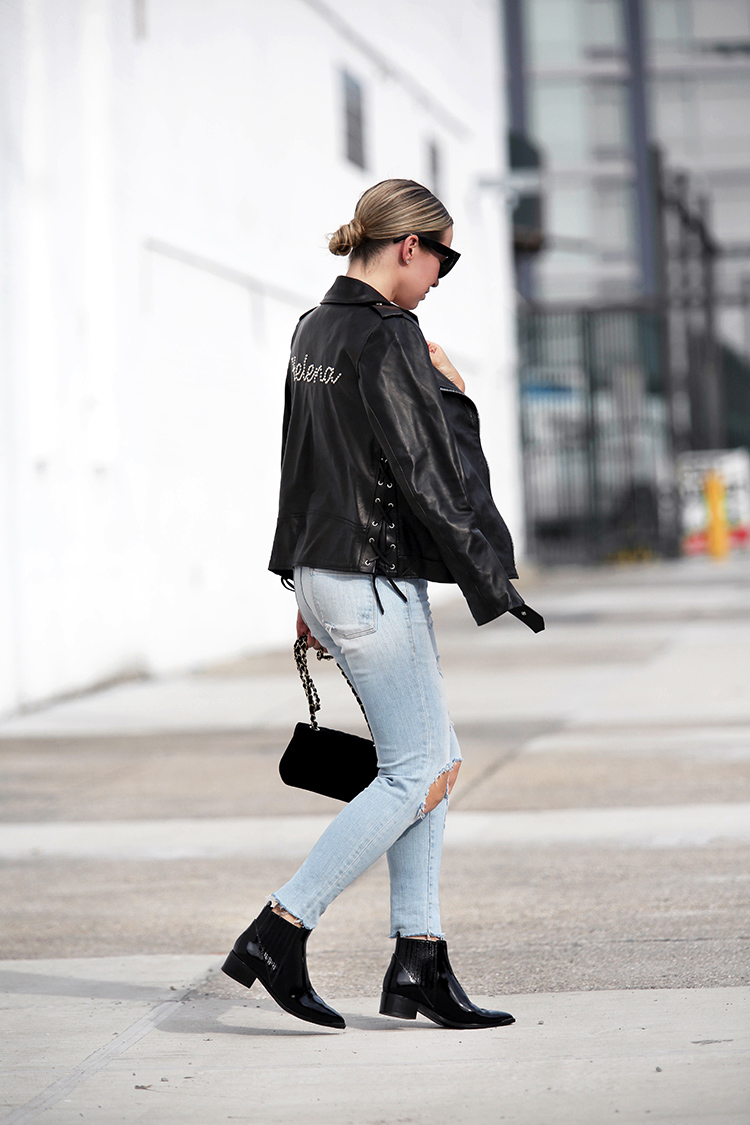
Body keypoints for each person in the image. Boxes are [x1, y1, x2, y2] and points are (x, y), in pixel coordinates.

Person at [222, 178, 544, 1031]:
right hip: (369, 578)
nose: (442, 275)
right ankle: (279, 930)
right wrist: (489, 569)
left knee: (431, 760)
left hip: (327, 574)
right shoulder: (390, 333)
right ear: (410, 247)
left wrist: (301, 586)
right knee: (418, 770)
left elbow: (301, 461)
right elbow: (429, 469)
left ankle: (420, 962)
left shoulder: (313, 327)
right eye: (443, 257)